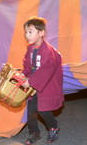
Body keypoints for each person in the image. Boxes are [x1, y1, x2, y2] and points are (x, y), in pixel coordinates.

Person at [21, 16, 64, 144]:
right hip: (34, 85)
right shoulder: (30, 48)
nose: (27, 35)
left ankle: (53, 126)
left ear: (41, 33)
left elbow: (46, 70)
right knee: (30, 112)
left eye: (30, 31)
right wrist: (23, 75)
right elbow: (27, 65)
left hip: (46, 86)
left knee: (43, 110)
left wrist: (30, 81)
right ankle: (34, 133)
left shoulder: (49, 51)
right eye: (25, 32)